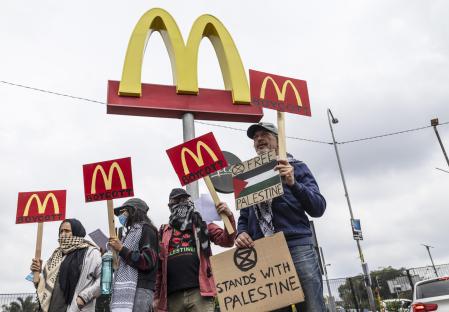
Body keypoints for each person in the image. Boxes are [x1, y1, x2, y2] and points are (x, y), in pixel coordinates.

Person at [235, 122, 327, 312]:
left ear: (279, 141)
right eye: (255, 137)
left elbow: (318, 208)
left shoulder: (297, 167)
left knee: (312, 306)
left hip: (297, 247)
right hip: (264, 251)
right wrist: (241, 232)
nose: (259, 139)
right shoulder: (249, 175)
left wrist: (293, 184)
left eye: (265, 134)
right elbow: (244, 214)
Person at [154, 188, 236, 312]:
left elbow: (227, 241)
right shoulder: (163, 231)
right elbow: (159, 268)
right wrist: (156, 297)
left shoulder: (201, 224)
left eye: (185, 199)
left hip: (200, 293)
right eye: (177, 200)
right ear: (170, 205)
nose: (182, 203)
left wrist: (228, 216)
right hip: (173, 296)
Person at [30, 218, 102, 312]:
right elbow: (44, 287)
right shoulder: (56, 255)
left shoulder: (91, 253)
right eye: (61, 231)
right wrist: (37, 273)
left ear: (76, 232)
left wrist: (83, 298)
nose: (63, 234)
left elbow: (104, 280)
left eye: (67, 231)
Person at [108, 198, 158, 312]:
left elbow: (147, 261)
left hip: (141, 288)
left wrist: (121, 249)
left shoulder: (147, 229)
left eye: (123, 211)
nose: (121, 215)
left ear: (134, 211)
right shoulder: (127, 235)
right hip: (126, 289)